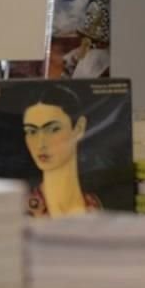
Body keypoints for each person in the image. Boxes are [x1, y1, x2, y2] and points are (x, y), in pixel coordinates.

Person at [22, 84, 101, 217]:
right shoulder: (21, 211)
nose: (41, 144)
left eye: (53, 129)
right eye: (32, 131)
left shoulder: (100, 208)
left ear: (79, 128)